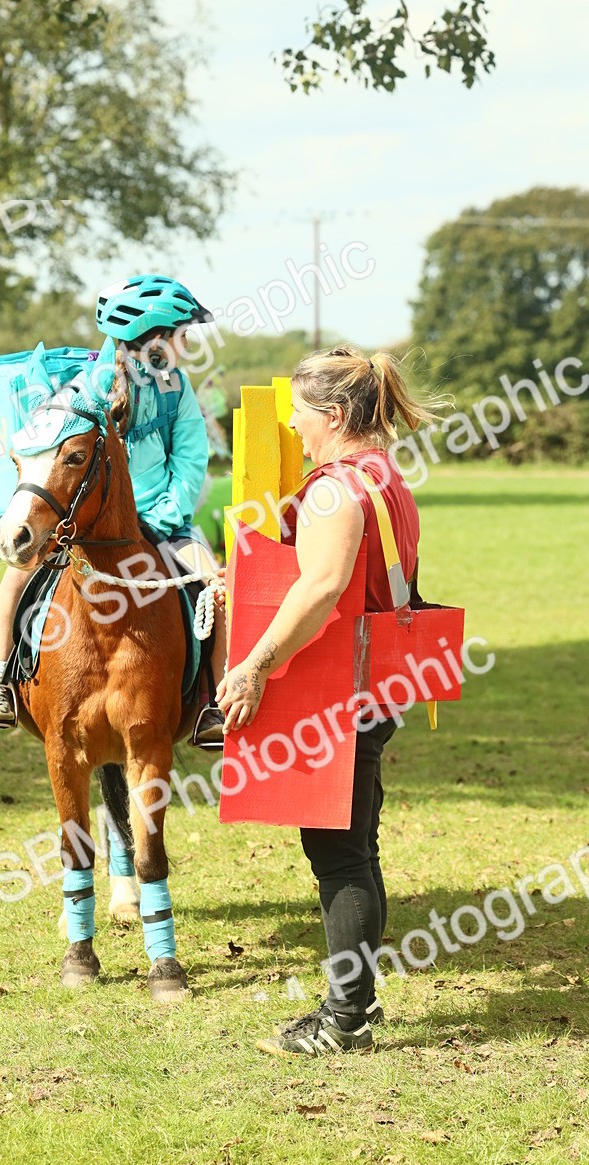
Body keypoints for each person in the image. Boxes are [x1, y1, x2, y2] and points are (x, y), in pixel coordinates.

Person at [216, 345, 434, 1054]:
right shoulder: (384, 476)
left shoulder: (337, 485)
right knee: (356, 848)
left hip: (345, 692)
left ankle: (345, 1022)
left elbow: (324, 585)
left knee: (339, 855)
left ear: (335, 415)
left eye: (301, 417)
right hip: (381, 683)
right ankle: (352, 1010)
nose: (296, 430)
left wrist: (253, 664)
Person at [0, 274, 228, 744]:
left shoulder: (177, 389)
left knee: (213, 588)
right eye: (181, 335)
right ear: (153, 342)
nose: (188, 344)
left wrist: (169, 514)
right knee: (16, 576)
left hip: (164, 519)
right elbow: (49, 445)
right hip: (86, 522)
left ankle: (210, 703)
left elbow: (191, 458)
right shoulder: (84, 388)